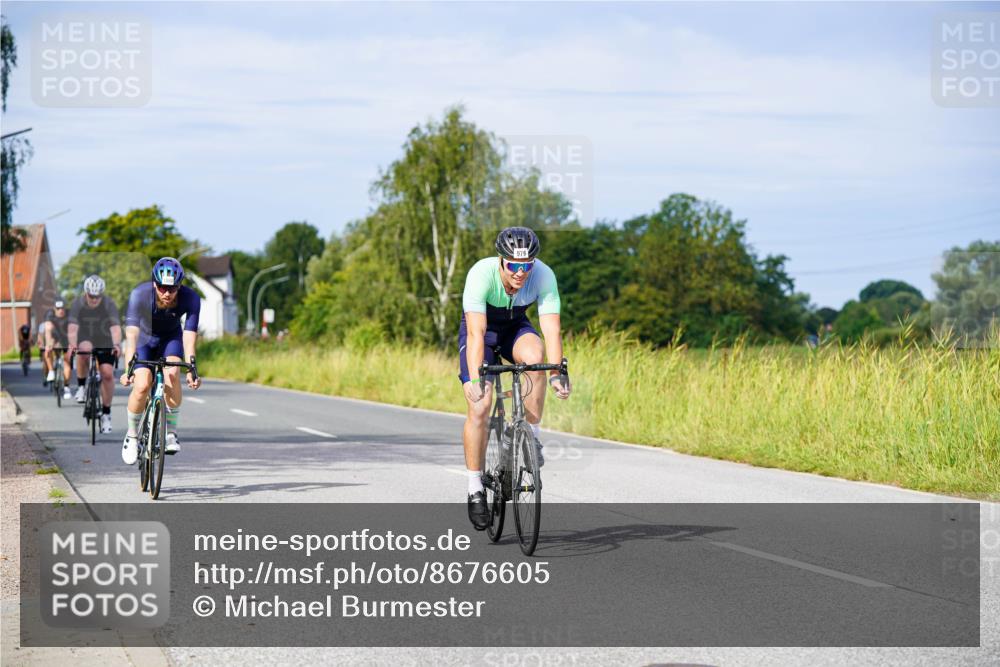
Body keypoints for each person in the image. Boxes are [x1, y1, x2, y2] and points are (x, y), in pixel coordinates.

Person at [458, 227, 571, 530]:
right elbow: (476, 333)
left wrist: (558, 371)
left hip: (515, 328)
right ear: (501, 261)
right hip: (483, 332)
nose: (521, 272)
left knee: (537, 361)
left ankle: (530, 435)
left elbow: (551, 330)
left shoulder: (544, 275)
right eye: (514, 265)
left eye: (527, 265)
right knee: (480, 406)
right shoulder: (481, 275)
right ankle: (475, 488)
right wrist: (474, 378)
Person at [120, 257, 201, 464]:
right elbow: (132, 336)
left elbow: (189, 336)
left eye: (172, 289)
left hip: (170, 338)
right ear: (154, 283)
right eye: (162, 287)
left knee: (173, 374)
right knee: (142, 385)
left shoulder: (191, 299)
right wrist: (128, 368)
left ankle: (171, 433)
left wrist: (192, 368)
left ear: (179, 286)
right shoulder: (139, 295)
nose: (167, 293)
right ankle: (131, 436)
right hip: (144, 340)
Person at [67, 275, 122, 434]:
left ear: (102, 295)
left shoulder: (109, 304)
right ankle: (82, 387)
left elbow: (115, 327)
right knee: (84, 350)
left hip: (104, 337)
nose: (94, 300)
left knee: (107, 374)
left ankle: (106, 414)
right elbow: (72, 327)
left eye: (97, 297)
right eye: (91, 296)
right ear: (86, 293)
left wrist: (116, 344)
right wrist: (72, 344)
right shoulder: (78, 303)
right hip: (85, 334)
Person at [45, 300, 73, 400]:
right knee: (47, 350)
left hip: (66, 337)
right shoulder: (50, 315)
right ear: (54, 309)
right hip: (55, 337)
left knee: (67, 362)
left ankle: (66, 387)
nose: (61, 311)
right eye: (58, 309)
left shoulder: (70, 314)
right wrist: (48, 345)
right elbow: (48, 330)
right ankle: (51, 371)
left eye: (62, 308)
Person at [36, 321, 50, 386]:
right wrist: (40, 345)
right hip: (45, 344)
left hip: (53, 343)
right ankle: (45, 376)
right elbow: (40, 336)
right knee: (45, 360)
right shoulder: (43, 325)